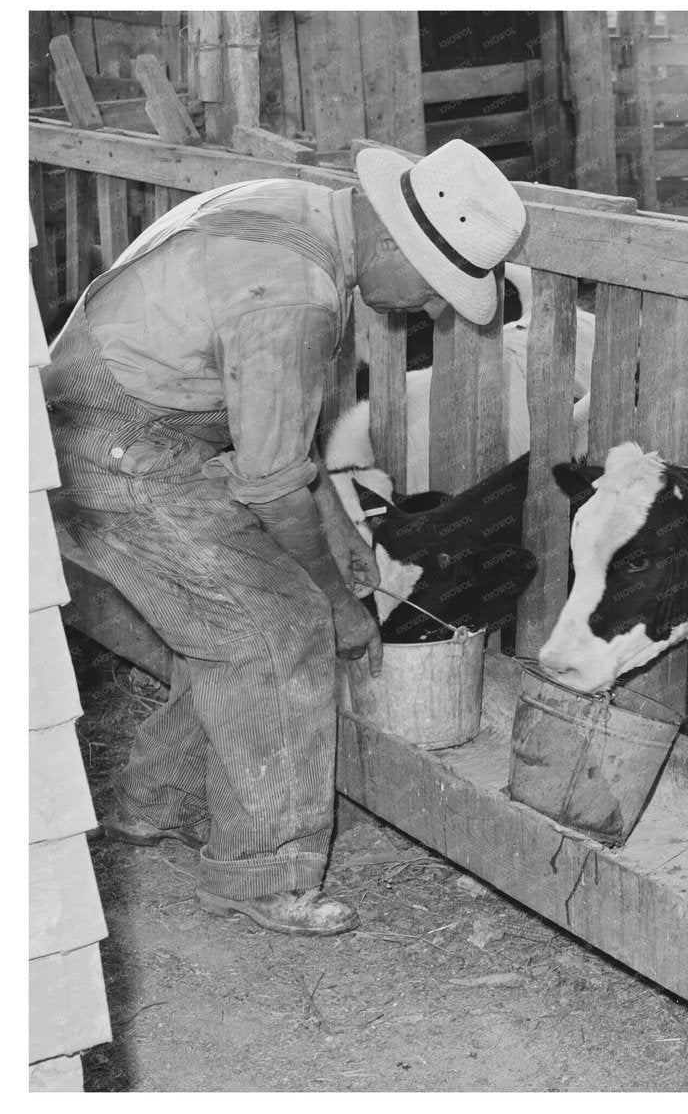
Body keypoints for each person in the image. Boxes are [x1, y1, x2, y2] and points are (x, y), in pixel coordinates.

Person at [45, 140, 525, 936]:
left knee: (240, 623)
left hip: (115, 431)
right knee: (281, 628)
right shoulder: (293, 297)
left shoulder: (297, 211)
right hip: (110, 451)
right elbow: (268, 478)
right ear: (396, 243)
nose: (427, 309)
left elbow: (279, 447)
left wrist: (340, 538)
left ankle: (157, 799)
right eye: (434, 289)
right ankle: (261, 872)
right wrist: (337, 603)